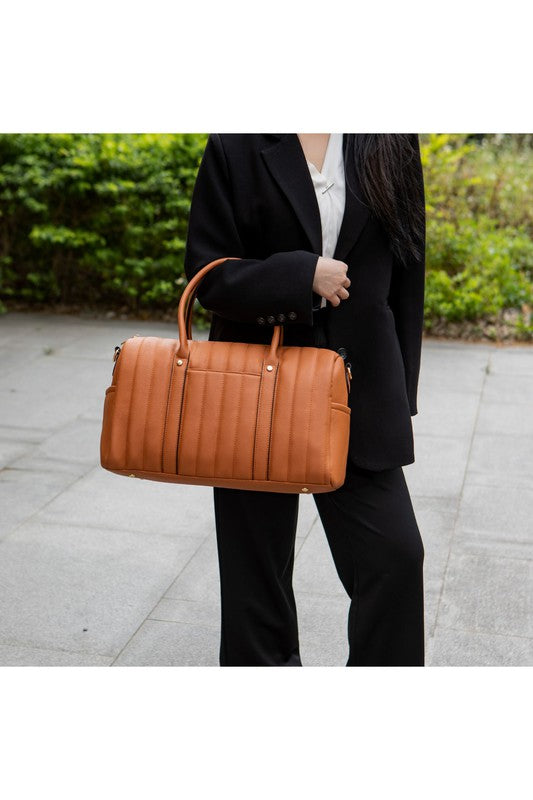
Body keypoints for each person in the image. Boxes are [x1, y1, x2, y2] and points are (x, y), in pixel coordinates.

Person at [183, 133, 426, 666]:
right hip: (255, 392)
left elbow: (409, 274)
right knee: (256, 588)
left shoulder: (389, 137)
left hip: (358, 392)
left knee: (396, 560)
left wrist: (399, 395)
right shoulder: (236, 141)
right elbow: (209, 275)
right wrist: (300, 276)